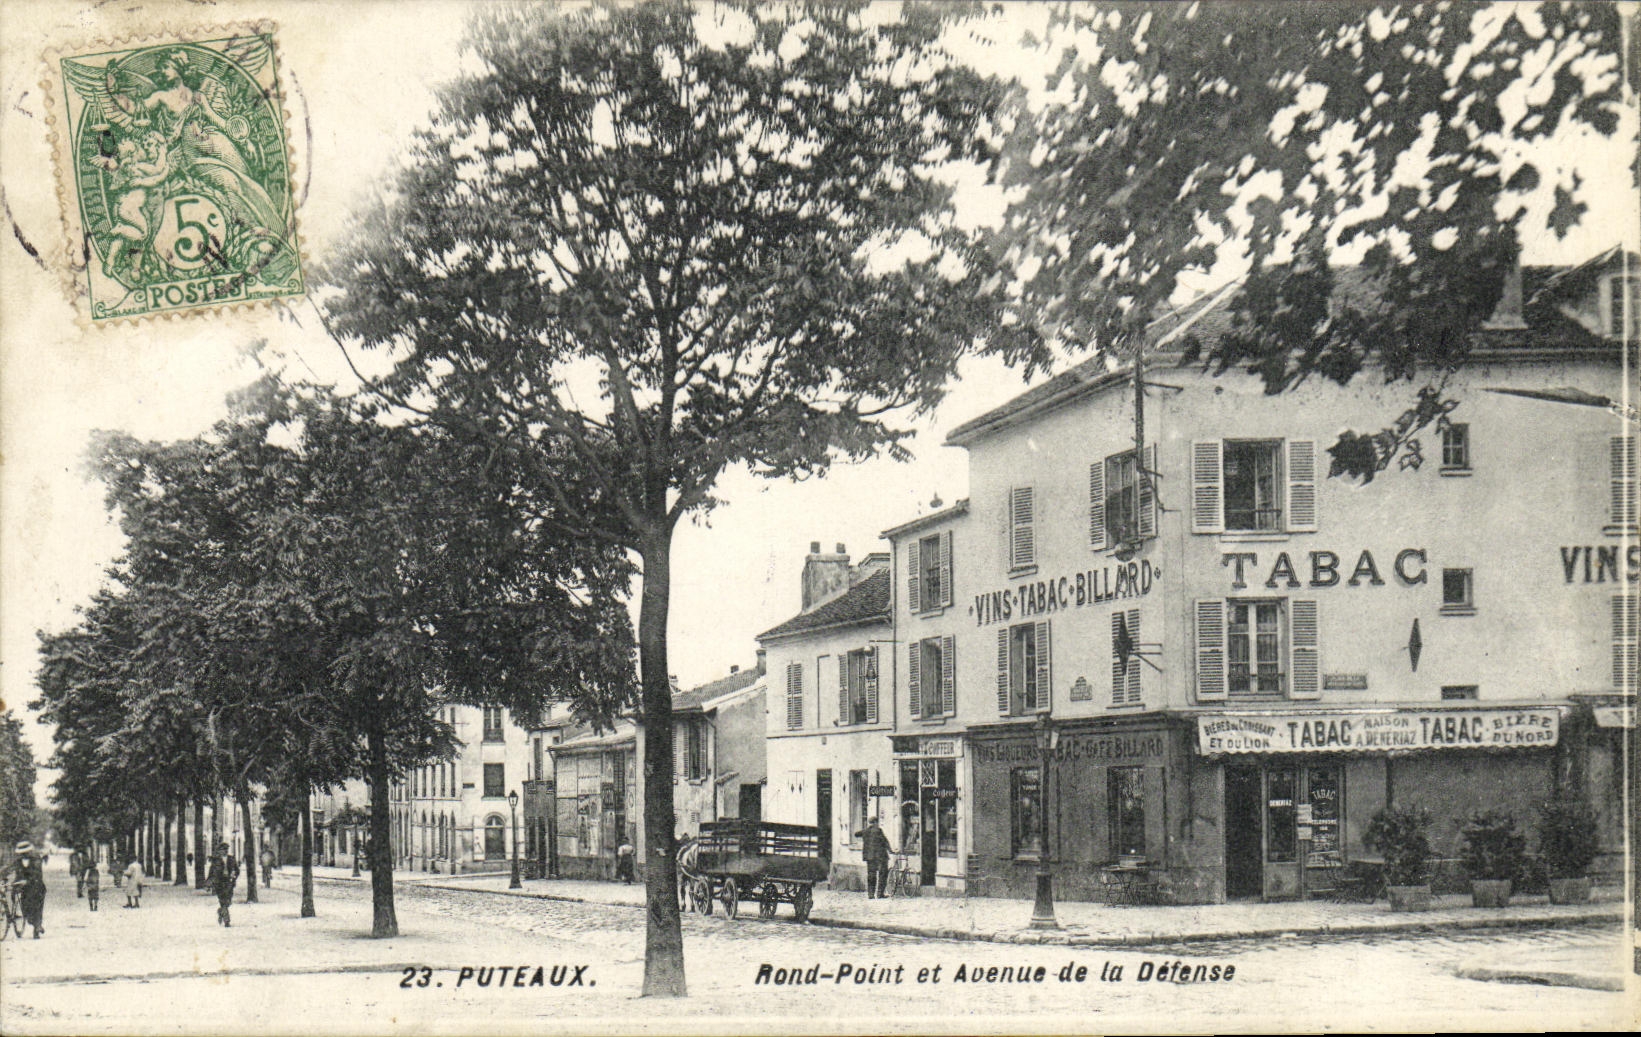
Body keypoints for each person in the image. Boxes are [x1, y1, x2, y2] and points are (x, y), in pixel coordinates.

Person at [12, 842, 46, 938]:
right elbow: (11, 870)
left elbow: (37, 874)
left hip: (37, 887)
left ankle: (37, 928)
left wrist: (27, 881)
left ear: (29, 852)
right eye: (21, 853)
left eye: (25, 852)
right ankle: (35, 924)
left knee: (37, 908)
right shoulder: (18, 861)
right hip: (25, 889)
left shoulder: (36, 859)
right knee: (26, 910)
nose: (23, 854)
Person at [860, 818, 895, 900]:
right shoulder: (878, 830)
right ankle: (880, 893)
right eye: (877, 822)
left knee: (871, 875)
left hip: (869, 857)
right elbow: (884, 841)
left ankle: (871, 894)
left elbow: (856, 834)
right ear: (875, 822)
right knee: (882, 874)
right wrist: (890, 851)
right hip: (880, 857)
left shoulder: (865, 831)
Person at [208, 843, 238, 927]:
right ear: (219, 851)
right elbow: (211, 872)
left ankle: (220, 912)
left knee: (228, 901)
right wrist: (208, 883)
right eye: (223, 850)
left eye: (226, 850)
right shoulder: (216, 860)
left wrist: (234, 875)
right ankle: (227, 920)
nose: (225, 851)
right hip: (219, 883)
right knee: (223, 901)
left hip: (229, 882)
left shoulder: (231, 859)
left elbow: (237, 870)